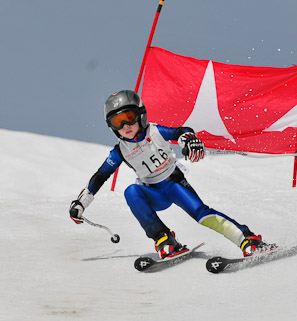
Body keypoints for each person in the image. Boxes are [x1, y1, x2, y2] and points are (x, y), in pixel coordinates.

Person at [69, 89, 275, 259]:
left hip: (175, 185)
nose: (125, 126)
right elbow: (100, 175)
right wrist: (81, 203)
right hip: (153, 193)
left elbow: (180, 131)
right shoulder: (120, 150)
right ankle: (165, 240)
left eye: (129, 118)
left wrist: (188, 139)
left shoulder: (155, 132)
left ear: (140, 114)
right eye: (118, 122)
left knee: (202, 214)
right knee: (132, 191)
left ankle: (248, 240)